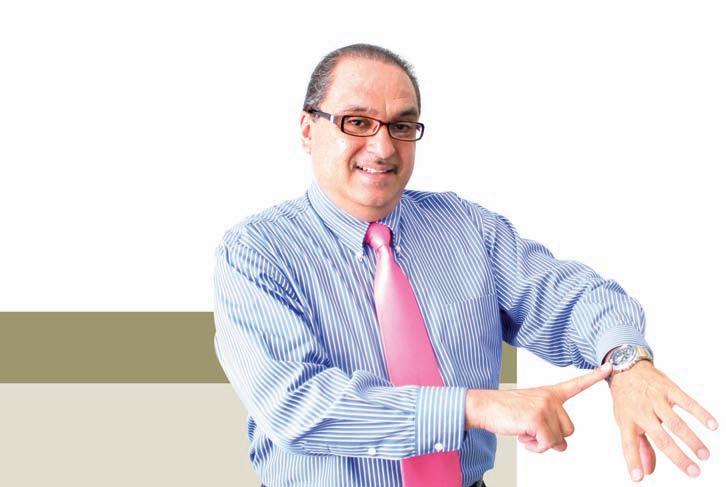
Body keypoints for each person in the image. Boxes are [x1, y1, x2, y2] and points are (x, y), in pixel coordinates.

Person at [212, 43, 717, 487]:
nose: (383, 147)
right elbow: (296, 404)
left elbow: (570, 296)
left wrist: (627, 363)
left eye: (402, 126)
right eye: (357, 122)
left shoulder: (467, 228)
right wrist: (473, 407)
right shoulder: (255, 252)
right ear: (308, 129)